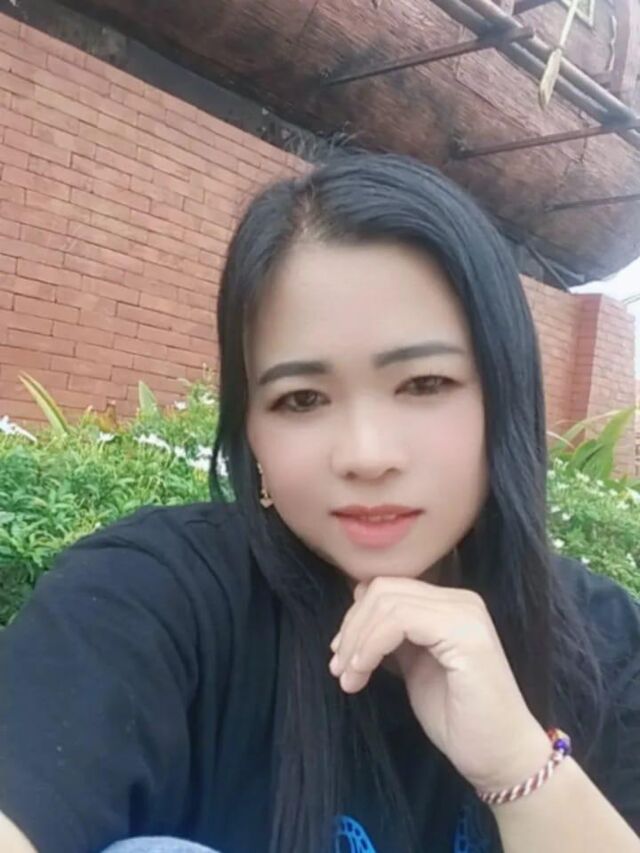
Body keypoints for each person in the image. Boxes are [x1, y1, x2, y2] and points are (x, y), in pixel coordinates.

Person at [0, 152, 639, 853]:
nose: (366, 455)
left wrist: (519, 766)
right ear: (251, 430)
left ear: (505, 395)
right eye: (301, 399)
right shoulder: (154, 597)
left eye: (424, 384)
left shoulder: (605, 643)